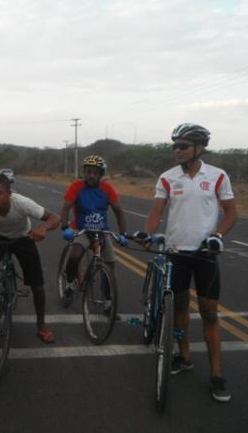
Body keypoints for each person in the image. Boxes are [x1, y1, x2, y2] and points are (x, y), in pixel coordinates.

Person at [144, 123, 236, 403]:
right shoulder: (167, 178)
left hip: (205, 254)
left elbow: (231, 213)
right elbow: (157, 211)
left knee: (209, 313)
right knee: (180, 307)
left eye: (182, 146)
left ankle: (217, 374)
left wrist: (218, 235)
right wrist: (146, 235)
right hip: (175, 254)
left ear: (199, 148)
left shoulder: (218, 176)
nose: (177, 151)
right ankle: (183, 357)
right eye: (174, 146)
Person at [0, 173, 60, 343]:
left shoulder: (21, 203)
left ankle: (41, 326)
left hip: (23, 238)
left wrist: (43, 228)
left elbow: (55, 218)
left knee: (37, 286)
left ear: (9, 193)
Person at [59, 155, 128, 300]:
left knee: (109, 264)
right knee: (74, 256)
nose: (90, 175)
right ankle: (70, 284)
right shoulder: (76, 186)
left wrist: (123, 234)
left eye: (95, 172)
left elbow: (118, 211)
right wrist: (65, 227)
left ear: (101, 174)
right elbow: (66, 207)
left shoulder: (107, 189)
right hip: (81, 229)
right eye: (88, 172)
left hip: (102, 231)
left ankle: (109, 301)